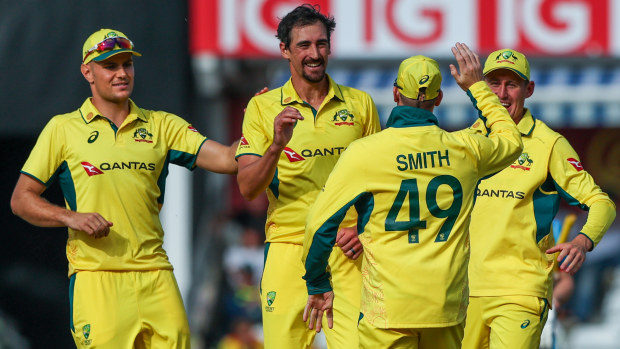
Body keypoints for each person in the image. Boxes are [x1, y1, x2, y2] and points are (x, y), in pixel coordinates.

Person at [10, 28, 238, 348]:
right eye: (110, 66)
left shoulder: (162, 125)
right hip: (96, 278)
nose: (121, 73)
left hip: (156, 274)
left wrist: (261, 125)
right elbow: (21, 199)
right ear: (87, 72)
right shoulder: (63, 129)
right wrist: (71, 217)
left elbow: (229, 159)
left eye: (127, 64)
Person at [302, 43, 523, 348]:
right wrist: (476, 88)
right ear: (440, 98)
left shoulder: (366, 153)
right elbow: (511, 139)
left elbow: (319, 224)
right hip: (445, 307)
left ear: (395, 94)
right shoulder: (466, 149)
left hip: (388, 311)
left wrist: (317, 282)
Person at [235, 4, 381, 348]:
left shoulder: (361, 104)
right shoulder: (262, 107)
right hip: (288, 248)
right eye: (303, 45)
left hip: (346, 249)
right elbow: (248, 188)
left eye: (321, 44)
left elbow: (382, 183)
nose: (314, 54)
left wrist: (364, 230)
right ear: (285, 50)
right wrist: (275, 146)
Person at [462, 48, 617, 349]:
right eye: (494, 83)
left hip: (521, 290)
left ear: (528, 89)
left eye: (512, 84)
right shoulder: (467, 140)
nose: (502, 93)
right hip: (463, 291)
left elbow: (601, 202)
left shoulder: (549, 144)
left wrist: (582, 241)